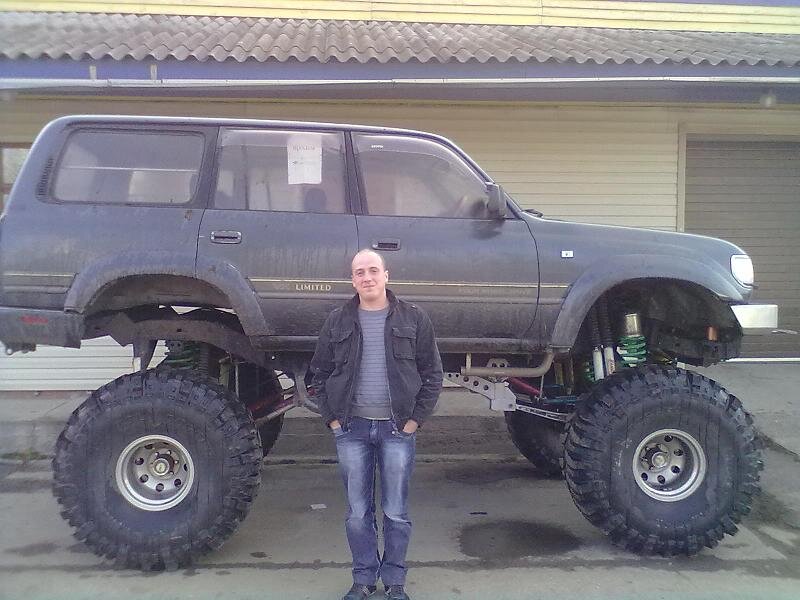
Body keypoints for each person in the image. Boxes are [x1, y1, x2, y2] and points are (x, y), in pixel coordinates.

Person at [311, 249, 443, 600]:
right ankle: (364, 579)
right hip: (351, 430)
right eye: (359, 272)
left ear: (386, 275)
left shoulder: (414, 318)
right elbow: (318, 374)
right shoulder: (337, 321)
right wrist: (333, 420)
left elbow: (433, 374)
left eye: (373, 270)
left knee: (396, 512)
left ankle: (395, 581)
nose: (366, 277)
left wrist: (414, 421)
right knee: (358, 513)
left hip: (397, 430)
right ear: (352, 280)